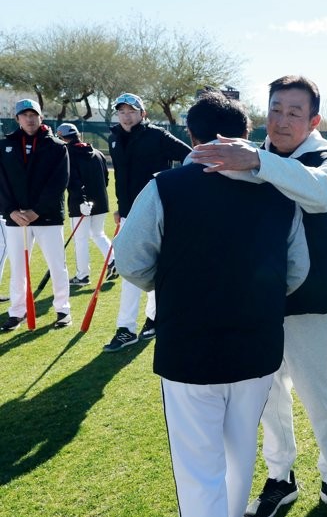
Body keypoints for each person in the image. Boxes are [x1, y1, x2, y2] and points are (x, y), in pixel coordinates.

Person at [113, 90, 309, 517]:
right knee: (234, 455)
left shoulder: (166, 187)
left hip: (194, 347)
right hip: (252, 347)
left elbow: (130, 261)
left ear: (193, 136)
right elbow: (294, 271)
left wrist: (180, 284)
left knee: (202, 472)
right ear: (241, 135)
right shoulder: (276, 192)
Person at [189, 75, 327, 517]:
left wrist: (258, 162)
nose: (282, 121)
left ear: (314, 120)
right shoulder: (252, 153)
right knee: (268, 400)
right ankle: (279, 477)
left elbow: (322, 194)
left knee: (321, 399)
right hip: (258, 304)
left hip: (310, 303)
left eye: (294, 112)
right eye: (276, 109)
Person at [103, 92, 191, 351]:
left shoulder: (157, 135)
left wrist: (172, 190)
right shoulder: (115, 139)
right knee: (130, 269)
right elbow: (120, 176)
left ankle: (152, 318)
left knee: (156, 268)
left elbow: (190, 157)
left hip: (158, 212)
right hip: (130, 214)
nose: (126, 116)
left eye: (131, 111)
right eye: (121, 111)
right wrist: (121, 208)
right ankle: (126, 328)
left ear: (142, 113)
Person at [0, 99, 71, 330]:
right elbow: (2, 183)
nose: (29, 119)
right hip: (15, 218)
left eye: (34, 114)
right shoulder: (5, 145)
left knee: (57, 265)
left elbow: (58, 183)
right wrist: (11, 210)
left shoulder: (57, 146)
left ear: (41, 117)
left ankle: (63, 310)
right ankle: (17, 312)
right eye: (24, 115)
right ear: (17, 119)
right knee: (18, 267)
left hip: (47, 217)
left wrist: (36, 211)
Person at [55, 123, 113, 287]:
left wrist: (82, 200)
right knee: (98, 234)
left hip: (79, 204)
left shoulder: (67, 153)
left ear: (63, 137)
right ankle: (113, 261)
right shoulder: (97, 153)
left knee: (81, 240)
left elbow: (72, 181)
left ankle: (82, 276)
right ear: (77, 134)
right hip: (101, 202)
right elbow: (106, 178)